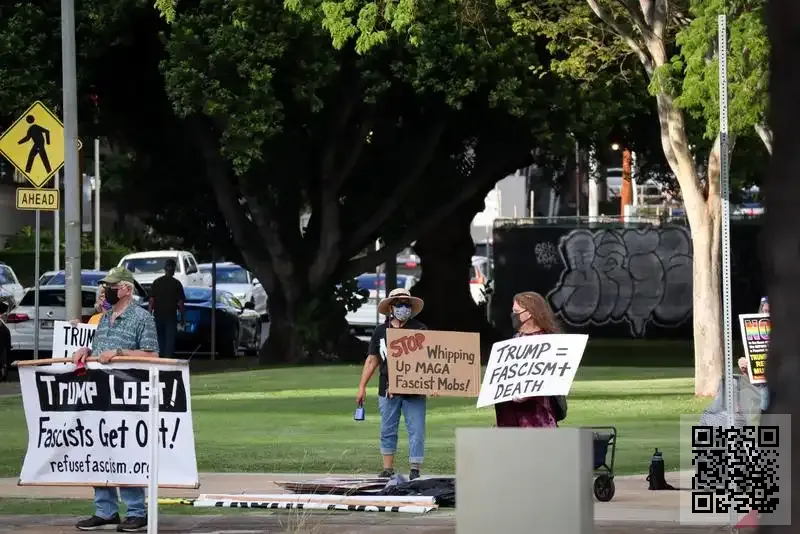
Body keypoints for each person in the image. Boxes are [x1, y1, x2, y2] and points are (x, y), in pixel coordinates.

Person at [72, 267, 159, 532]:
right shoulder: (104, 318)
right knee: (99, 450)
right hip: (100, 394)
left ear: (126, 289)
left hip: (127, 396)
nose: (106, 290)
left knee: (126, 451)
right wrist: (86, 350)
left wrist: (120, 352)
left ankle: (136, 511)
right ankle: (105, 511)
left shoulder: (142, 318)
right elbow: (100, 351)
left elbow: (152, 355)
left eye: (111, 286)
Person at [356, 288, 427, 480]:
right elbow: (372, 360)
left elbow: (430, 360)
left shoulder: (420, 329)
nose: (404, 308)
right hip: (387, 388)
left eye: (407, 304)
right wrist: (362, 387)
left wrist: (433, 384)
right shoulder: (381, 331)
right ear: (391, 307)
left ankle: (415, 468)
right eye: (400, 304)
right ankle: (387, 469)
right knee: (387, 428)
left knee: (417, 429)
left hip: (415, 389)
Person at [495, 291, 559, 428]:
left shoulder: (546, 342)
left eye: (516, 311)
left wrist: (524, 392)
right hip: (510, 413)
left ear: (529, 313)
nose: (513, 315)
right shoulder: (515, 339)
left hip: (536, 415)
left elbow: (545, 375)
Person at [148, 259, 185, 357]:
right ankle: (167, 360)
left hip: (158, 316)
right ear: (174, 270)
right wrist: (182, 318)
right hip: (170, 316)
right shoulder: (176, 284)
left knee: (159, 340)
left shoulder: (157, 282)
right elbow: (181, 303)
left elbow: (151, 300)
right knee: (169, 341)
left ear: (164, 269)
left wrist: (149, 315)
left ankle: (160, 359)